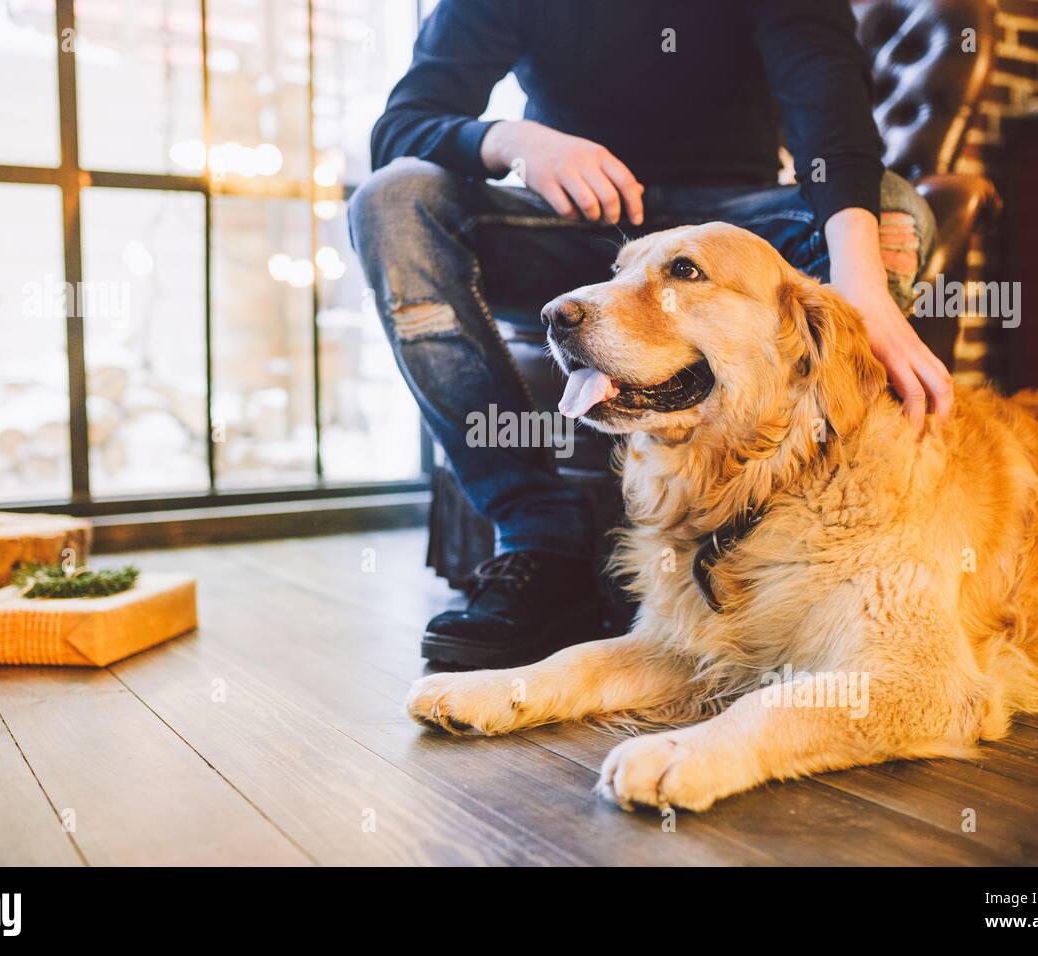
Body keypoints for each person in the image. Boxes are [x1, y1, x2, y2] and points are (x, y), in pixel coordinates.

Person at [350, 0, 950, 668]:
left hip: (735, 231)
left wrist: (862, 295)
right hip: (574, 227)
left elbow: (827, 103)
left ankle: (818, 535)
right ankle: (540, 543)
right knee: (391, 199)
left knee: (892, 210)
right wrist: (517, 141)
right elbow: (400, 127)